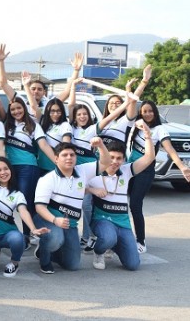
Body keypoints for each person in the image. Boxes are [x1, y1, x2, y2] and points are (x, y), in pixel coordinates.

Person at [68, 77, 133, 252]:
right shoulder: (70, 129)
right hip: (74, 171)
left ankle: (88, 237)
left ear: (89, 116)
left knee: (87, 205)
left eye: (85, 114)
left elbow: (111, 115)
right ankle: (73, 236)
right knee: (73, 204)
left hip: (92, 172)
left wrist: (127, 101)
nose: (81, 116)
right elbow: (71, 106)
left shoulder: (94, 128)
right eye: (79, 114)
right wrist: (73, 85)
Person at [86, 122, 155, 270]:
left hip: (123, 222)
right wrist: (92, 190)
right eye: (111, 157)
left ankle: (114, 244)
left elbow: (149, 157)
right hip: (102, 220)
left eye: (119, 158)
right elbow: (76, 188)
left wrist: (147, 134)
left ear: (123, 159)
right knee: (108, 237)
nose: (115, 162)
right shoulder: (93, 171)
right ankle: (99, 251)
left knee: (133, 265)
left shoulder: (126, 170)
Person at [33, 141, 110, 274]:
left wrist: (101, 145)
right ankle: (45, 259)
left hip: (70, 224)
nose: (69, 158)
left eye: (72, 155)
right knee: (56, 239)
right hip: (47, 220)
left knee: (72, 265)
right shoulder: (47, 179)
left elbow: (105, 163)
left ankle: (51, 250)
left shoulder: (83, 171)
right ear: (56, 159)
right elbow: (39, 207)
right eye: (64, 155)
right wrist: (55, 220)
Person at [127, 101, 190, 253]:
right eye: (144, 111)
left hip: (145, 171)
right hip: (129, 169)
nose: (148, 114)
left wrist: (182, 167)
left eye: (150, 111)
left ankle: (140, 241)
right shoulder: (137, 125)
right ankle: (124, 237)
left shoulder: (159, 129)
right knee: (121, 203)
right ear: (140, 113)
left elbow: (169, 149)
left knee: (135, 205)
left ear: (155, 113)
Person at [0, 155, 49, 277]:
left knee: (18, 239)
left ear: (11, 170)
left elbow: (23, 211)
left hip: (8, 234)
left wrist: (33, 229)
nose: (3, 172)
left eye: (6, 169)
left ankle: (14, 262)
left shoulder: (17, 194)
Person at [4, 96, 56, 249]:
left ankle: (29, 235)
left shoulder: (32, 124)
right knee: (9, 202)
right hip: (9, 169)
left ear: (24, 108)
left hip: (28, 167)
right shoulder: (6, 125)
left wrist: (57, 162)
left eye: (19, 108)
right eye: (13, 109)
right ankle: (13, 234)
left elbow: (43, 145)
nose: (16, 111)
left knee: (25, 202)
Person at [99, 65, 150, 146]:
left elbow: (133, 100)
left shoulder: (126, 120)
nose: (114, 105)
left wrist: (144, 81)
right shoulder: (102, 122)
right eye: (111, 103)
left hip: (117, 157)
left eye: (117, 103)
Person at [38, 97, 72, 174]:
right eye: (52, 111)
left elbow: (66, 145)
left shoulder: (65, 125)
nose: (55, 114)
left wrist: (61, 163)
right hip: (40, 166)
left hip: (56, 168)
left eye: (58, 111)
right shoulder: (44, 125)